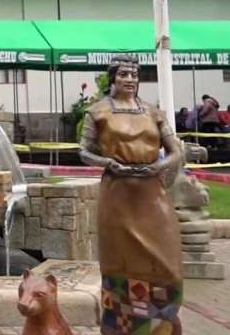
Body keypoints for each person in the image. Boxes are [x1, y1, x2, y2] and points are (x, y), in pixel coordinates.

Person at [79, 55, 183, 334]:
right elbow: (83, 152)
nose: (130, 80)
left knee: (168, 265)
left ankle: (162, 324)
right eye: (123, 74)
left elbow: (176, 152)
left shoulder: (153, 112)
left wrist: (157, 167)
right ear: (113, 77)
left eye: (134, 75)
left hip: (152, 193)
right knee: (120, 264)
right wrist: (106, 163)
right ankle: (122, 328)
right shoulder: (97, 112)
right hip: (117, 194)